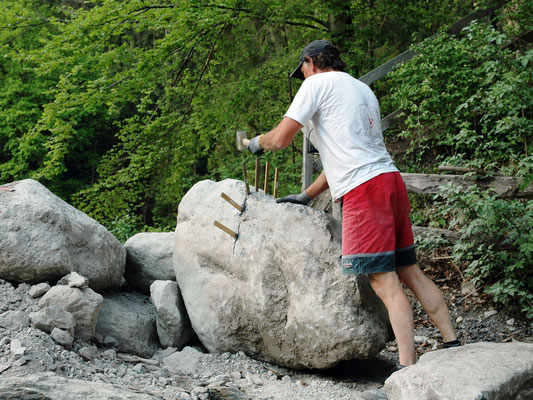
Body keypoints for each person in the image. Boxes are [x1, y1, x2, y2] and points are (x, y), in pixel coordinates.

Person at [247, 39, 459, 366]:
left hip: (364, 191)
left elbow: (280, 138)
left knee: (383, 281)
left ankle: (406, 368)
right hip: (389, 180)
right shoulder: (360, 89)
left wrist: (256, 143)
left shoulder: (316, 84)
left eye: (301, 71)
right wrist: (307, 195)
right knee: (409, 270)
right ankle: (452, 341)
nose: (302, 78)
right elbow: (346, 156)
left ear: (311, 63)